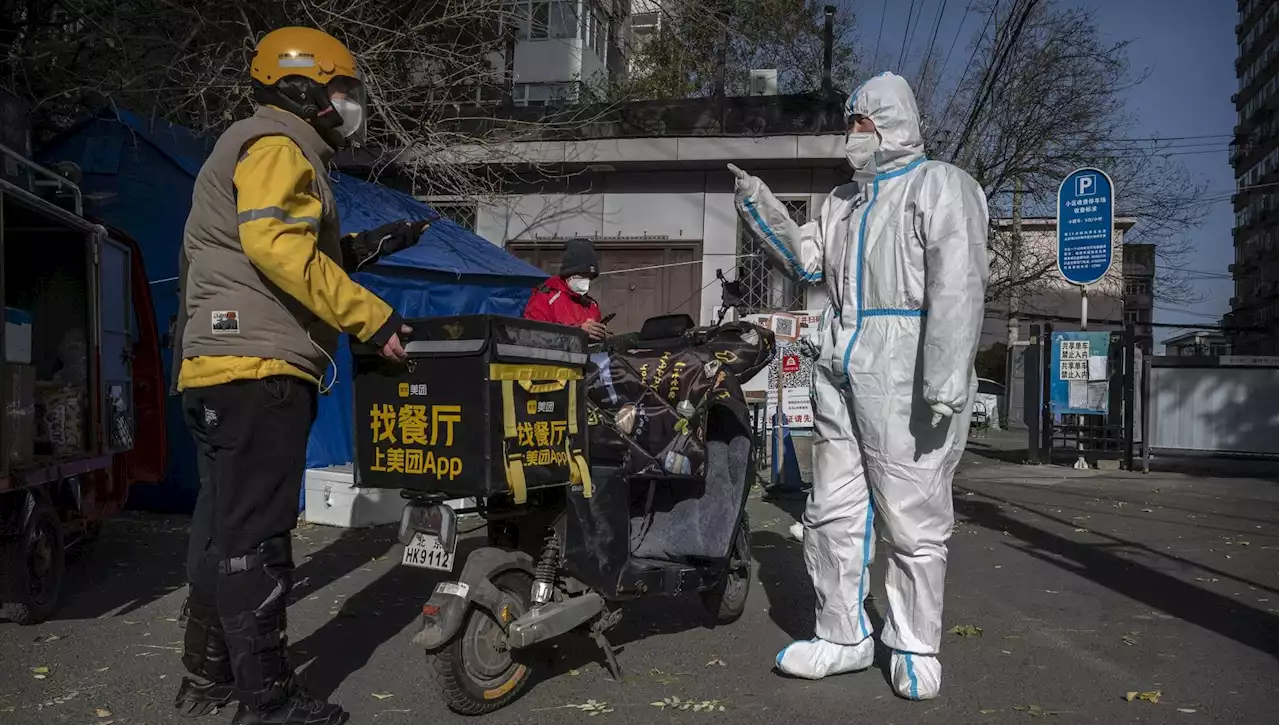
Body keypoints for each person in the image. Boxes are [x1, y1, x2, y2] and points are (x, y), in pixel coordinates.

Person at [170, 27, 426, 725]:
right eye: (344, 91)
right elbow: (277, 244)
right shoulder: (279, 146)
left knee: (223, 531)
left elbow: (284, 247)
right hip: (259, 371)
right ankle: (269, 700)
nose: (352, 106)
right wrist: (373, 319)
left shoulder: (251, 147)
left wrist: (367, 247)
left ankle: (208, 677)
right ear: (303, 89)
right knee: (258, 536)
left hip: (216, 366)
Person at [729, 71, 988, 700]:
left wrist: (946, 376)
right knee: (831, 510)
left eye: (861, 124)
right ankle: (842, 634)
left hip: (907, 370)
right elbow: (805, 260)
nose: (852, 136)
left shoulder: (941, 187)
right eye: (850, 124)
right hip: (841, 364)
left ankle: (914, 642)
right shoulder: (842, 202)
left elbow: (959, 287)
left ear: (892, 125)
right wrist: (761, 204)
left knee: (911, 512)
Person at [523, 238, 609, 339]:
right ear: (569, 274)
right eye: (582, 275)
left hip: (586, 354)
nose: (586, 281)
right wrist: (577, 332)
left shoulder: (591, 305)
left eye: (590, 277)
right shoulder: (545, 298)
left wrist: (600, 334)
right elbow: (533, 336)